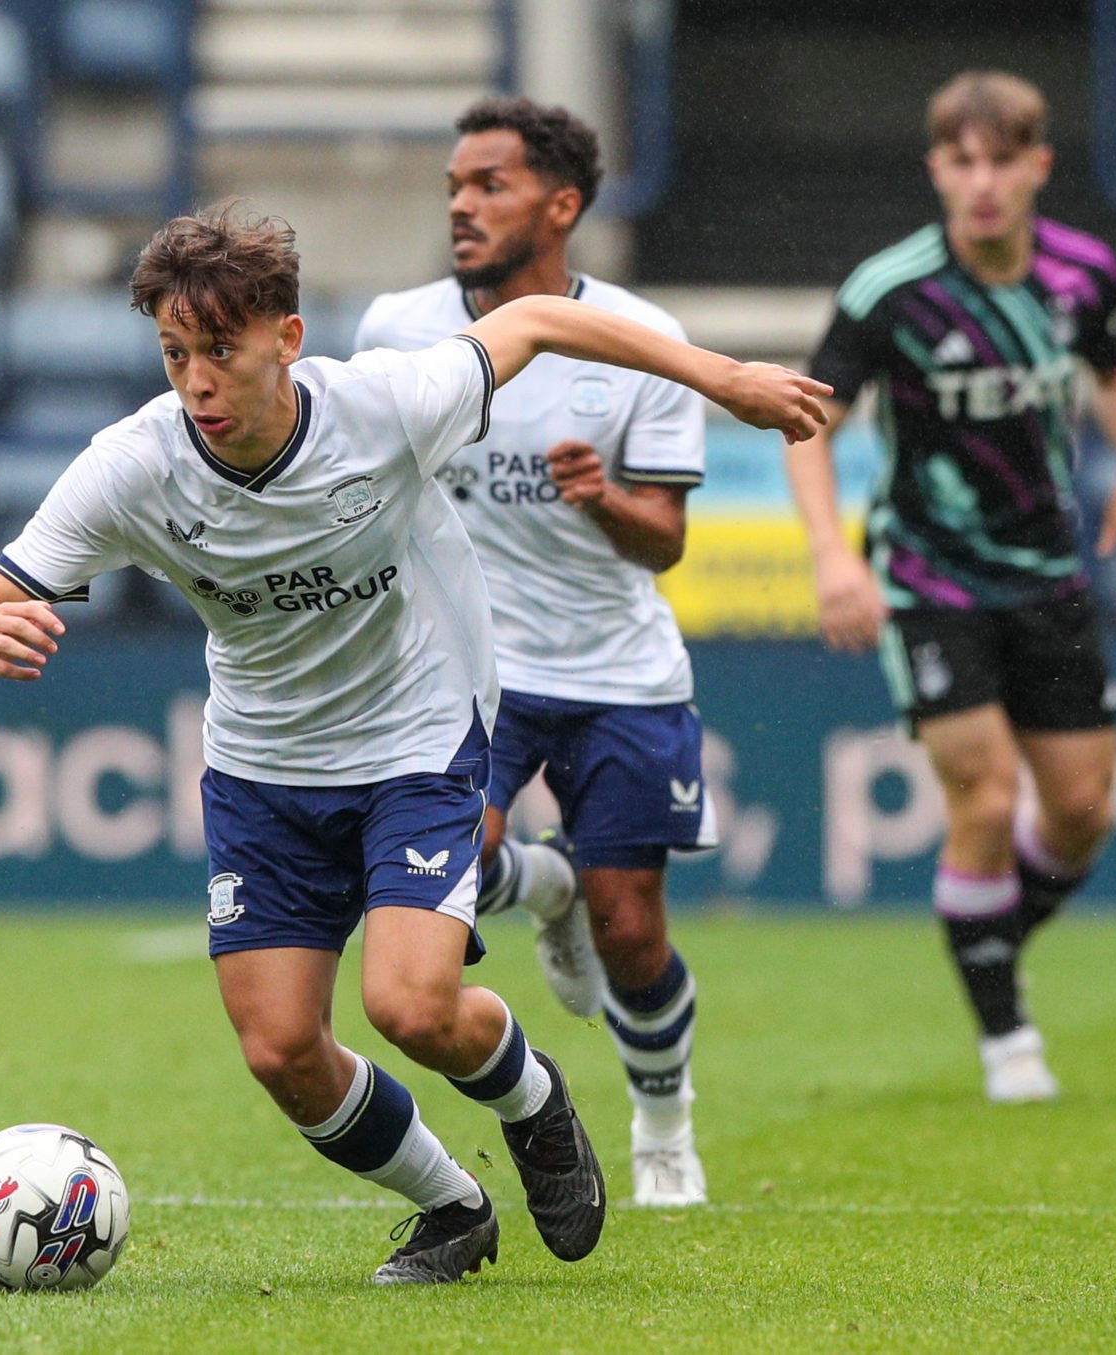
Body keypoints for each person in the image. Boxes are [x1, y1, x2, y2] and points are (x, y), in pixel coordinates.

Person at [0, 204, 830, 1282]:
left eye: (221, 350)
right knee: (281, 1050)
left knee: (409, 1004)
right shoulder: (132, 466)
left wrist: (721, 379)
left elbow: (540, 317)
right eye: (176, 354)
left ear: (288, 339)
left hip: (416, 735)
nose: (198, 381)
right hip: (263, 767)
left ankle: (533, 1099)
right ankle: (452, 1205)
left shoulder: (389, 405)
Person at [785, 71, 1116, 1103]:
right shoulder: (890, 292)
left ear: (1038, 165)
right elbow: (808, 423)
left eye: (1004, 159)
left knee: (1084, 809)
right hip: (928, 575)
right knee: (985, 793)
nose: (985, 182)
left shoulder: (1083, 274)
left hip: (1051, 570)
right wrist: (832, 555)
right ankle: (1009, 1040)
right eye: (964, 161)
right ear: (937, 171)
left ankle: (984, 934)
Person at [355, 96, 715, 1207]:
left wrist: (604, 498)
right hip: (468, 676)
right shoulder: (395, 329)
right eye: (456, 185)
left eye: (490, 185)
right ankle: (541, 882)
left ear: (560, 205)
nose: (462, 205)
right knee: (447, 884)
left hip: (619, 672)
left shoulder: (644, 340)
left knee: (632, 927)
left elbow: (664, 541)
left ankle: (663, 1122)